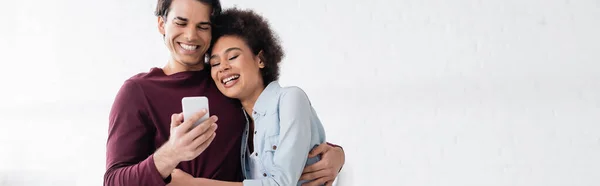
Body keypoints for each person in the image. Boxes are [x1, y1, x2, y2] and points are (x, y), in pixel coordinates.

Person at [104, 0, 345, 185]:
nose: (190, 35)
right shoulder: (137, 92)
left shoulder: (228, 83)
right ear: (161, 24)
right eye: (181, 22)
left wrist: (335, 154)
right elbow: (114, 180)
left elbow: (275, 137)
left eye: (203, 26)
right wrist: (171, 154)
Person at [169, 8, 329, 186]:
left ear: (260, 59)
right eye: (215, 63)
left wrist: (193, 184)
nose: (223, 67)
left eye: (233, 56)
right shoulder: (241, 122)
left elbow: (282, 183)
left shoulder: (291, 99)